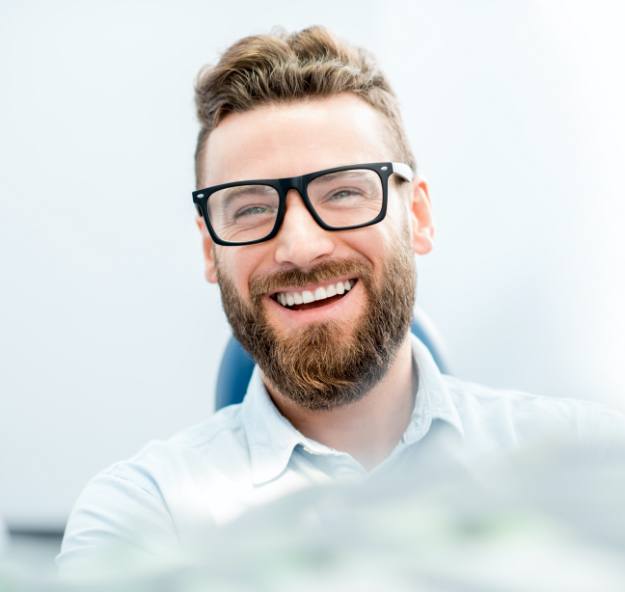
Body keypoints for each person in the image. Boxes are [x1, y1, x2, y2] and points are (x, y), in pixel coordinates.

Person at [57, 26, 625, 573]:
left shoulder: (595, 463)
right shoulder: (144, 516)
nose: (301, 247)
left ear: (418, 218)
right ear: (210, 252)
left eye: (345, 192)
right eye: (251, 208)